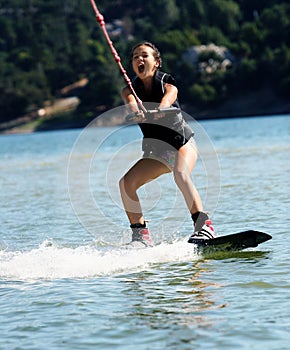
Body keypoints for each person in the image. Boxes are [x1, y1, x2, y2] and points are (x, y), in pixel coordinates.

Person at [119, 41, 216, 247]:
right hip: (160, 154)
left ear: (156, 63)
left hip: (182, 144)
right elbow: (131, 104)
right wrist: (136, 112)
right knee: (126, 183)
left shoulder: (166, 84)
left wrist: (161, 108)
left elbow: (171, 95)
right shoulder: (129, 90)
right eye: (135, 56)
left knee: (180, 174)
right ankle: (141, 236)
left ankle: (204, 226)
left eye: (145, 55)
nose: (139, 59)